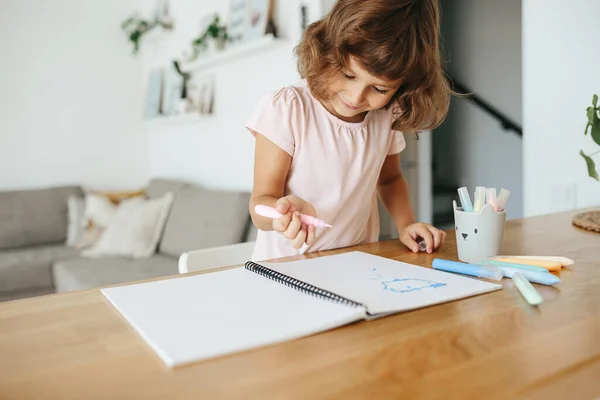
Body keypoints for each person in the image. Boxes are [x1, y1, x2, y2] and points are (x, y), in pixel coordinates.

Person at [246, 0, 451, 261]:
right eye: (348, 74)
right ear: (327, 51)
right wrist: (281, 212)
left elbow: (389, 180)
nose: (355, 97)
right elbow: (259, 205)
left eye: (379, 89)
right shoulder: (288, 109)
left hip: (356, 265)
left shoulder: (384, 116)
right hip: (286, 270)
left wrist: (406, 224)